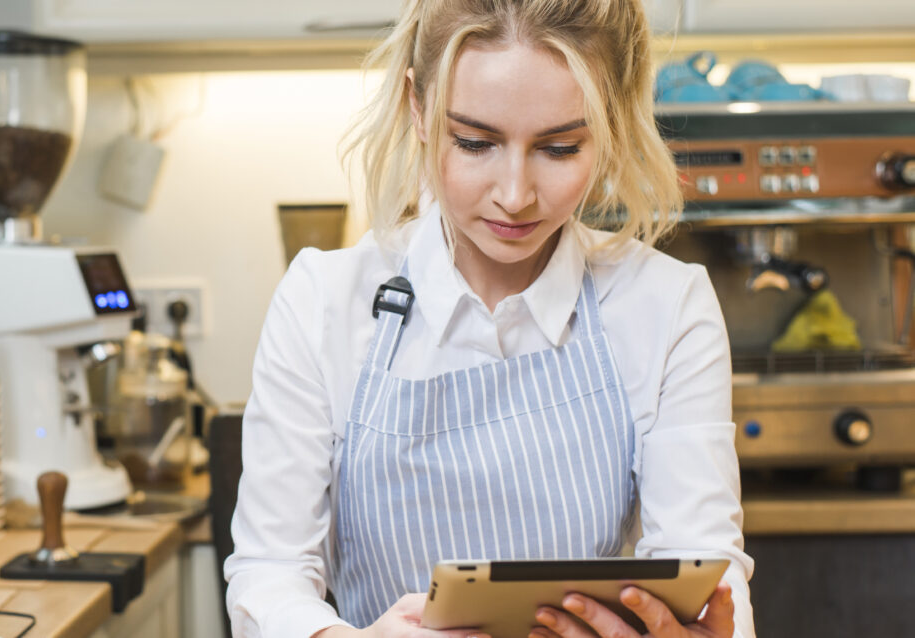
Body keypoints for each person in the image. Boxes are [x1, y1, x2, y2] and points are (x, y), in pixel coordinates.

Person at [223, 1, 755, 637]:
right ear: (418, 108)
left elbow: (704, 562)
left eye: (560, 148)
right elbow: (270, 570)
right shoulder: (322, 301)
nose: (514, 194)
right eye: (475, 142)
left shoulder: (666, 305)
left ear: (608, 125)